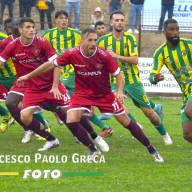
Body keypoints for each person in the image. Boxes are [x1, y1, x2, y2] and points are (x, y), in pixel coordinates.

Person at [17, 28, 164, 163]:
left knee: (126, 122)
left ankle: (152, 150)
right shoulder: (72, 53)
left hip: (104, 95)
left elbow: (119, 75)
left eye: (95, 40)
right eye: (90, 40)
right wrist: (29, 76)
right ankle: (92, 150)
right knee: (71, 118)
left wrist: (119, 92)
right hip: (82, 94)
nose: (94, 43)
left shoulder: (104, 56)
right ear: (82, 41)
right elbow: (51, 65)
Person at [0, 18, 109, 153]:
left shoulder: (42, 42)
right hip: (30, 86)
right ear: (20, 30)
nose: (31, 30)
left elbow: (56, 63)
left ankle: (94, 137)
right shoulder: (12, 44)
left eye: (33, 27)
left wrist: (55, 85)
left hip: (49, 84)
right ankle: (48, 138)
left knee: (69, 114)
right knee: (17, 108)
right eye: (28, 27)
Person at [97, 10, 173, 145]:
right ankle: (136, 126)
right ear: (111, 22)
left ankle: (165, 134)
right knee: (116, 105)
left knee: (148, 112)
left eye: (121, 20)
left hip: (132, 80)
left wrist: (116, 56)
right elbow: (98, 61)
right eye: (116, 20)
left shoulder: (130, 38)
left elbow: (135, 60)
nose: (119, 22)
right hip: (114, 80)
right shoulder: (103, 41)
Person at [43, 10, 113, 137]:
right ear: (56, 21)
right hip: (59, 71)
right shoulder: (48, 35)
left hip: (74, 72)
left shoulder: (75, 34)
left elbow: (90, 46)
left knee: (72, 103)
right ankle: (100, 127)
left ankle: (92, 128)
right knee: (70, 103)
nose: (64, 20)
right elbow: (44, 50)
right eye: (61, 18)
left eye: (65, 18)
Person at [150, 18, 192, 143]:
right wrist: (154, 78)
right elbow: (152, 75)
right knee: (187, 134)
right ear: (164, 32)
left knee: (189, 110)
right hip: (186, 93)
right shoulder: (160, 53)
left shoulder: (188, 45)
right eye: (172, 30)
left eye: (177, 29)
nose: (175, 32)